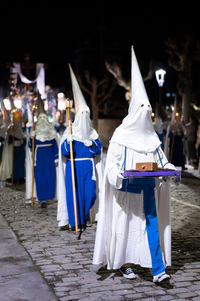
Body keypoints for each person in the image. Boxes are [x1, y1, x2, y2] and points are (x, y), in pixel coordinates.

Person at [93, 47, 176, 284]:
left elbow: (162, 160)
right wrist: (119, 176)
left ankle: (157, 270)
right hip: (127, 191)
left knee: (151, 227)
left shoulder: (152, 138)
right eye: (142, 109)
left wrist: (169, 168)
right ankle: (126, 264)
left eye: (148, 109)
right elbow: (112, 166)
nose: (146, 113)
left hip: (148, 189)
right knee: (128, 229)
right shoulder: (120, 135)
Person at [57, 64, 103, 231]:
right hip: (74, 166)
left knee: (90, 194)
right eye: (81, 113)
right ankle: (76, 221)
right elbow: (63, 152)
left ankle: (84, 215)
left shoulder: (93, 133)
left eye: (86, 114)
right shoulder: (70, 132)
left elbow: (99, 151)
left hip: (88, 168)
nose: (84, 117)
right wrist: (68, 143)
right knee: (74, 194)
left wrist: (92, 145)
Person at [28, 106, 59, 208]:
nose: (42, 121)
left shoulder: (51, 132)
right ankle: (42, 199)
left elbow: (55, 145)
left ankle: (49, 195)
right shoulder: (34, 132)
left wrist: (56, 157)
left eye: (44, 118)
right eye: (40, 118)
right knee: (40, 177)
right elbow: (30, 146)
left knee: (50, 176)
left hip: (49, 158)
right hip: (39, 158)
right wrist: (31, 138)